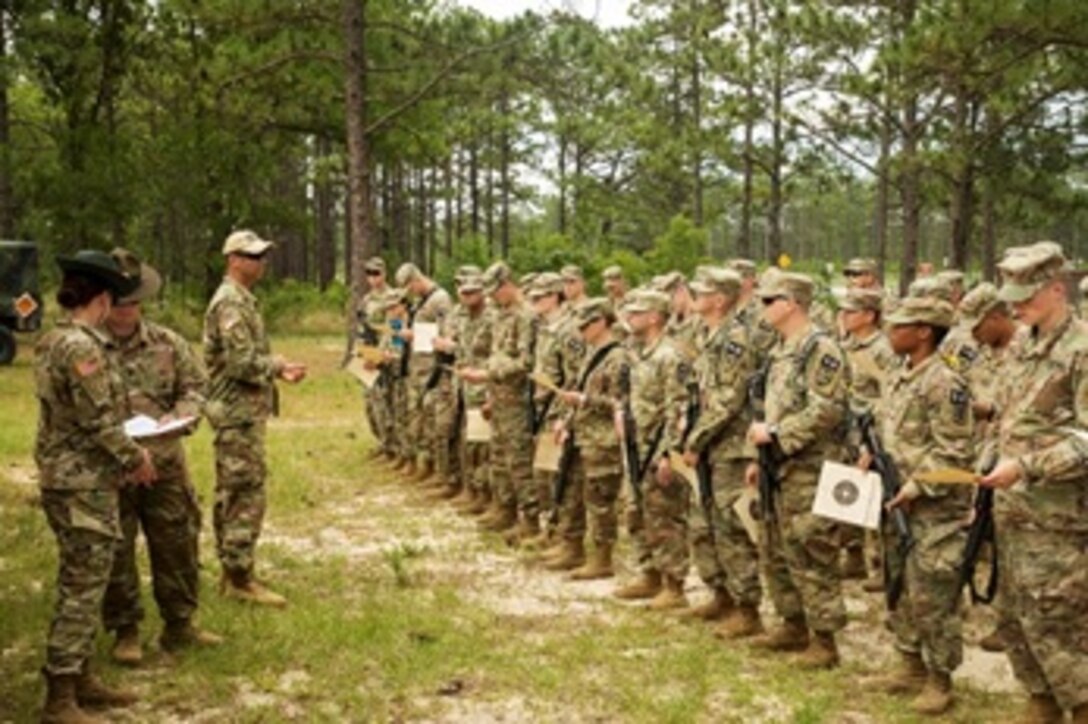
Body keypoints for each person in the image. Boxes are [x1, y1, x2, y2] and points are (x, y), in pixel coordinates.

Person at [34, 249, 157, 721]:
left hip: (69, 477)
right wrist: (136, 456)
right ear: (103, 299)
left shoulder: (52, 340)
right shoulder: (83, 347)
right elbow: (99, 420)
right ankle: (60, 695)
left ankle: (80, 676)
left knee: (85, 579)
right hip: (80, 482)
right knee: (81, 586)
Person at [979, 241, 1088, 723]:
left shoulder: (1081, 351)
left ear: (1058, 289)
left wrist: (1029, 467)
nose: (1015, 306)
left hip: (1059, 518)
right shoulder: (1022, 343)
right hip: (1012, 510)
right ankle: (1040, 702)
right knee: (1014, 616)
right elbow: (1007, 417)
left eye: (1026, 296)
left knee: (1059, 620)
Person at [101, 249, 221, 665]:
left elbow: (195, 389)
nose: (126, 310)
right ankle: (126, 628)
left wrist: (177, 418)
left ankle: (180, 623)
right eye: (119, 303)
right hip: (113, 469)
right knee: (116, 548)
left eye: (133, 302)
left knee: (176, 541)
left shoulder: (167, 343)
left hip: (165, 462)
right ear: (104, 302)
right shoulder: (87, 349)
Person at [862, 296, 974, 715]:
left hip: (932, 507)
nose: (891, 332)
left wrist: (916, 486)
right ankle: (908, 662)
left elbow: (956, 452)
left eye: (900, 326)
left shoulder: (945, 383)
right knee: (900, 585)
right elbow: (885, 428)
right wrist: (868, 455)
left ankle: (940, 678)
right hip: (894, 498)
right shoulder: (898, 374)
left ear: (924, 331)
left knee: (933, 593)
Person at [746, 272, 850, 669]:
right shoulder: (781, 349)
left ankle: (825, 641)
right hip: (779, 464)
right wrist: (762, 457)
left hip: (811, 467)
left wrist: (775, 433)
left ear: (791, 302)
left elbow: (828, 408)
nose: (763, 308)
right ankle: (793, 623)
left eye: (769, 300)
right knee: (776, 549)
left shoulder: (820, 349)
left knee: (812, 550)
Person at [203, 230, 306, 608]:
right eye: (253, 255)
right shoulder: (230, 303)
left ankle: (235, 569)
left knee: (237, 489)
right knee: (243, 491)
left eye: (262, 255)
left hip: (241, 411)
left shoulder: (242, 300)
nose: (261, 262)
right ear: (233, 260)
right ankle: (239, 576)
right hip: (236, 413)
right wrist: (277, 366)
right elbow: (240, 362)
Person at [681, 269, 762, 636]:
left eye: (703, 292)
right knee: (705, 522)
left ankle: (747, 610)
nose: (695, 296)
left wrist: (695, 441)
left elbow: (729, 400)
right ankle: (721, 594)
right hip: (710, 445)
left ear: (720, 299)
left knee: (731, 528)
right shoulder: (706, 335)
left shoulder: (736, 340)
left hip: (729, 447)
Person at [612, 290, 692, 609]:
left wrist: (668, 453)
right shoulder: (637, 352)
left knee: (665, 517)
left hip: (658, 447)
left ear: (655, 317)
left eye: (637, 312)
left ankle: (674, 585)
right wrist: (620, 412)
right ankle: (650, 573)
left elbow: (679, 408)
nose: (629, 317)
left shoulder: (671, 356)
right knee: (637, 512)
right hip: (636, 445)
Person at [458, 263, 537, 538]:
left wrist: (487, 374)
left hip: (518, 399)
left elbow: (527, 363)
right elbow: (495, 353)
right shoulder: (501, 315)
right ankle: (504, 507)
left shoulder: (526, 316)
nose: (491, 299)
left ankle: (530, 518)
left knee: (519, 461)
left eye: (495, 292)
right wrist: (490, 391)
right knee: (499, 458)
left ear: (507, 284)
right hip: (500, 396)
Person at [553, 298, 628, 580]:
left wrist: (586, 400)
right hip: (584, 435)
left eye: (586, 325)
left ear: (601, 322)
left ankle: (603, 557)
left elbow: (620, 402)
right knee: (575, 493)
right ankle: (572, 546)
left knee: (600, 500)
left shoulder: (618, 357)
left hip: (603, 438)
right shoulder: (591, 353)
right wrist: (566, 420)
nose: (581, 330)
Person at [839, 288, 899, 586]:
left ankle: (883, 567)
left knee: (878, 504)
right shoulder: (846, 346)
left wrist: (873, 444)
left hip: (872, 434)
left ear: (869, 316)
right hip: (848, 433)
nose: (844, 316)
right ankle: (856, 558)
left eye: (851, 311)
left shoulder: (882, 350)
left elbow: (890, 398)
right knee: (850, 500)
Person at [393, 263, 452, 482]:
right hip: (417, 367)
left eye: (410, 287)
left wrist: (414, 335)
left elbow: (445, 334)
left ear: (416, 280)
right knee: (416, 416)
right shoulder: (421, 301)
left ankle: (434, 467)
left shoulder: (440, 299)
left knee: (431, 419)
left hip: (432, 368)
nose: (411, 293)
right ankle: (423, 462)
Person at [350, 256, 394, 462]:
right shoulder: (366, 300)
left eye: (376, 273)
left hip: (385, 357)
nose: (373, 278)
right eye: (369, 273)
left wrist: (378, 357)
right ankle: (380, 442)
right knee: (370, 403)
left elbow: (392, 331)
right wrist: (359, 354)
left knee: (385, 403)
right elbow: (361, 329)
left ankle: (391, 446)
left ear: (384, 274)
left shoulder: (392, 297)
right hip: (368, 355)